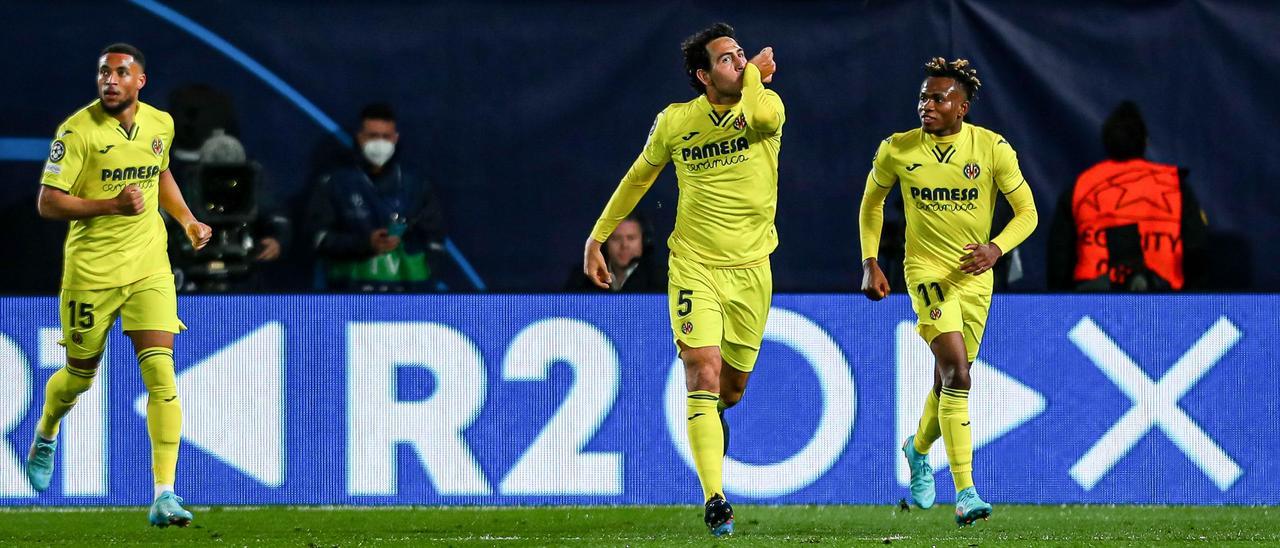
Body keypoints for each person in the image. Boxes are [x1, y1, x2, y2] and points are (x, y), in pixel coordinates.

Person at [582, 22, 781, 536]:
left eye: (741, 55)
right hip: (694, 264)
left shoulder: (768, 105)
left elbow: (758, 116)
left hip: (752, 271)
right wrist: (597, 238)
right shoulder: (675, 122)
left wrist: (754, 78)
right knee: (702, 371)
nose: (738, 63)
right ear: (702, 75)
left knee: (730, 392)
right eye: (726, 59)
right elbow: (639, 177)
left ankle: (715, 425)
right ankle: (715, 498)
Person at [28, 43, 212, 527]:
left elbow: (160, 171)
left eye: (120, 72)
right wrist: (111, 206)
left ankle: (165, 494)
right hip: (92, 274)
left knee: (162, 377)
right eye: (103, 72)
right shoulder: (77, 132)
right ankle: (47, 432)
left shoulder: (160, 124)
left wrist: (188, 221)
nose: (109, 80)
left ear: (140, 81)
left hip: (149, 267)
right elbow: (48, 202)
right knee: (80, 377)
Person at [859, 57, 1037, 526]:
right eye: (923, 97)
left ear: (962, 107)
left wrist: (996, 249)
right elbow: (871, 205)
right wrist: (871, 260)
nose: (927, 105)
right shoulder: (897, 150)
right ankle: (966, 492)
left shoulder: (992, 148)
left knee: (948, 380)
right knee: (958, 372)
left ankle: (917, 451)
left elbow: (1028, 213)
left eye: (938, 97)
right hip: (926, 272)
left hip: (977, 278)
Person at [1046, 101, 1208, 291]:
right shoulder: (1175, 186)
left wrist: (1060, 305)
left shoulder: (1080, 187)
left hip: (1092, 302)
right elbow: (1197, 249)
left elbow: (1059, 257)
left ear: (1106, 142)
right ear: (1145, 141)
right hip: (1164, 301)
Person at [307, 103, 446, 291]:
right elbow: (318, 238)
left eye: (386, 137)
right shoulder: (334, 183)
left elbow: (434, 238)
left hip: (408, 299)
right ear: (360, 137)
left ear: (395, 138)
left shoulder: (417, 185)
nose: (380, 144)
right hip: (348, 298)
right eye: (373, 136)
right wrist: (364, 244)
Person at [565, 213, 666, 292]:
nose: (624, 245)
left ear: (644, 241)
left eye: (631, 238)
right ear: (605, 243)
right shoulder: (585, 277)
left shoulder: (660, 278)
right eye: (616, 238)